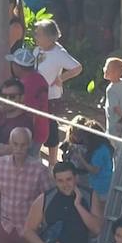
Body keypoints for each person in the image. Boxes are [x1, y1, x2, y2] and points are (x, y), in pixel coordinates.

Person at [32, 19, 82, 160]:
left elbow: (77, 67)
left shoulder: (59, 52)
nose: (36, 37)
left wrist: (61, 79)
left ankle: (52, 161)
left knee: (51, 127)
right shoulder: (37, 50)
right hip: (36, 94)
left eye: (39, 34)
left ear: (49, 37)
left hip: (50, 96)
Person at [102, 56, 122, 140]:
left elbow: (115, 107)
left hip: (117, 120)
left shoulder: (111, 89)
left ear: (116, 72)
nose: (104, 69)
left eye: (107, 68)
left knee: (114, 137)